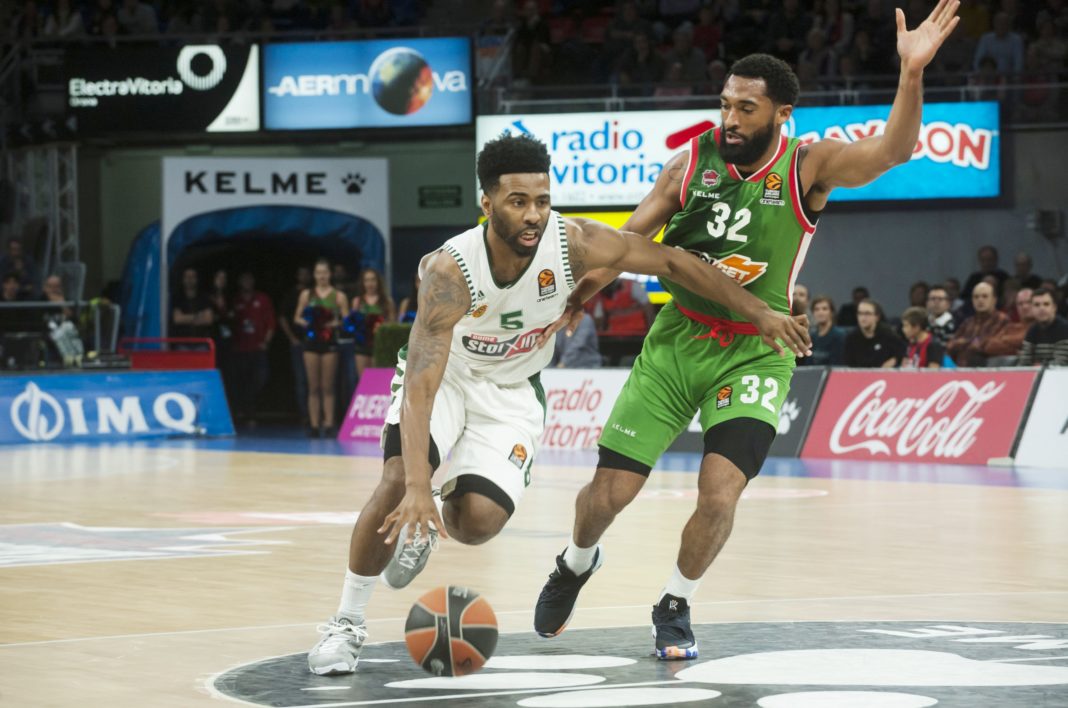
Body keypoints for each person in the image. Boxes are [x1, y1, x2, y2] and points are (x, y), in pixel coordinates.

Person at [532, 0, 961, 660]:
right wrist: (577, 299)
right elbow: (625, 243)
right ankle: (576, 561)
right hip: (678, 339)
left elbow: (894, 151)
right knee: (609, 494)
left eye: (746, 109)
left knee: (720, 492)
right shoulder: (688, 164)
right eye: (726, 104)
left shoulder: (808, 166)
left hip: (759, 351)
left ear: (781, 114)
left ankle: (676, 602)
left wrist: (911, 74)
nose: (730, 119)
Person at [305, 133, 810, 676]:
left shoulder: (574, 244)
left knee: (476, 523)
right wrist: (415, 484)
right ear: (486, 203)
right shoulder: (450, 271)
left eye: (542, 201)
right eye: (517, 202)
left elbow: (673, 262)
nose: (533, 215)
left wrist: (758, 312)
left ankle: (433, 520)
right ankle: (346, 623)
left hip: (512, 391)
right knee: (395, 481)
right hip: (448, 378)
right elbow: (422, 382)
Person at [294, 259, 349, 438]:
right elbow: (296, 317)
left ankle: (329, 423)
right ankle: (314, 424)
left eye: (325, 272)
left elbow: (347, 321)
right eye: (318, 273)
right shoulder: (306, 295)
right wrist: (307, 323)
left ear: (330, 274)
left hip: (329, 342)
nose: (322, 276)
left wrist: (335, 324)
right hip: (311, 343)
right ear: (314, 275)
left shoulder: (339, 296)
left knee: (328, 386)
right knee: (313, 386)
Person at [231, 272, 275, 427]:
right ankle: (245, 413)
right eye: (244, 280)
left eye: (249, 279)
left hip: (258, 348)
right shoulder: (235, 300)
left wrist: (266, 342)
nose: (247, 282)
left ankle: (250, 411)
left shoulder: (262, 299)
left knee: (260, 379)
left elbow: (271, 323)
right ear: (240, 282)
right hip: (240, 349)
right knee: (241, 382)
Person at [278, 266, 312, 426]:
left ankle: (320, 418)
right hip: (299, 343)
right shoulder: (292, 295)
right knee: (301, 381)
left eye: (306, 274)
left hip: (315, 343)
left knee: (316, 383)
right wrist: (292, 338)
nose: (304, 276)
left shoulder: (314, 294)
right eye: (301, 274)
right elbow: (284, 317)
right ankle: (305, 415)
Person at [946, 281, 1007, 367]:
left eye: (985, 296)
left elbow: (991, 346)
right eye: (976, 297)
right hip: (962, 369)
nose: (980, 300)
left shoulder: (1001, 319)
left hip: (990, 369)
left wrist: (964, 343)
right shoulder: (968, 322)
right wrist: (970, 342)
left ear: (994, 299)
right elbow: (950, 346)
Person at [350, 268, 395, 378]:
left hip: (380, 346)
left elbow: (393, 325)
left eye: (373, 280)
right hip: (362, 346)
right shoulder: (357, 301)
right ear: (363, 283)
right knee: (364, 381)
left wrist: (381, 326)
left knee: (378, 380)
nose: (370, 283)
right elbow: (352, 323)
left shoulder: (387, 301)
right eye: (367, 280)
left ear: (378, 282)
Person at [845, 298, 904, 368]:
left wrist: (894, 360)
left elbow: (901, 353)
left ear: (877, 317)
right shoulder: (851, 338)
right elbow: (848, 364)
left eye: (867, 314)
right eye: (860, 313)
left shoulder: (888, 335)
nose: (863, 317)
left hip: (883, 373)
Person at [1018, 287, 1068, 366]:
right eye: (1037, 305)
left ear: (1054, 307)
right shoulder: (1032, 330)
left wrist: (1037, 366)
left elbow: (1060, 364)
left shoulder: (1064, 329)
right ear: (1032, 308)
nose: (1041, 308)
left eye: (1046, 304)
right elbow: (1024, 362)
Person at [983, 286, 1034, 364]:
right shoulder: (1010, 327)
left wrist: (1004, 339)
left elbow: (1024, 340)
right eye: (1020, 304)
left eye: (1029, 302)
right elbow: (989, 346)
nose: (1024, 306)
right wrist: (1015, 350)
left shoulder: (1039, 328)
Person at [802, 295, 845, 365]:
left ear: (831, 312)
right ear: (813, 313)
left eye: (824, 309)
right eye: (816, 309)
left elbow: (838, 363)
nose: (820, 312)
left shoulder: (839, 335)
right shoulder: (811, 337)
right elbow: (808, 363)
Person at [171, 268, 213, 339]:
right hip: (182, 340)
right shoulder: (178, 298)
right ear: (183, 279)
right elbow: (177, 319)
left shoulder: (204, 298)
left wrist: (185, 318)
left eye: (192, 276)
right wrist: (198, 316)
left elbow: (209, 319)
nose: (189, 279)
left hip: (201, 340)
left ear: (197, 279)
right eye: (187, 276)